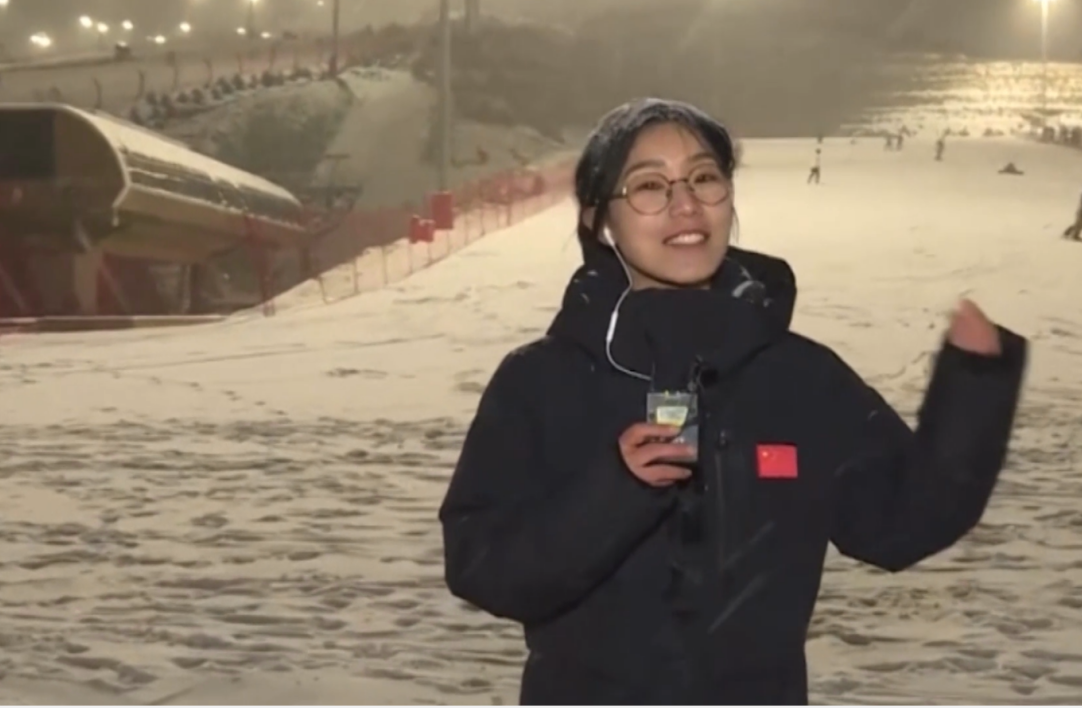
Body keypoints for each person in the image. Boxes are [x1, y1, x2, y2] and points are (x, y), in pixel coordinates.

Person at [439, 98, 1028, 705]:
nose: (686, 204)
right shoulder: (540, 381)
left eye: (704, 177)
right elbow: (484, 567)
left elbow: (902, 523)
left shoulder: (800, 378)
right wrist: (615, 490)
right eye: (649, 186)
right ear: (600, 220)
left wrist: (973, 387)